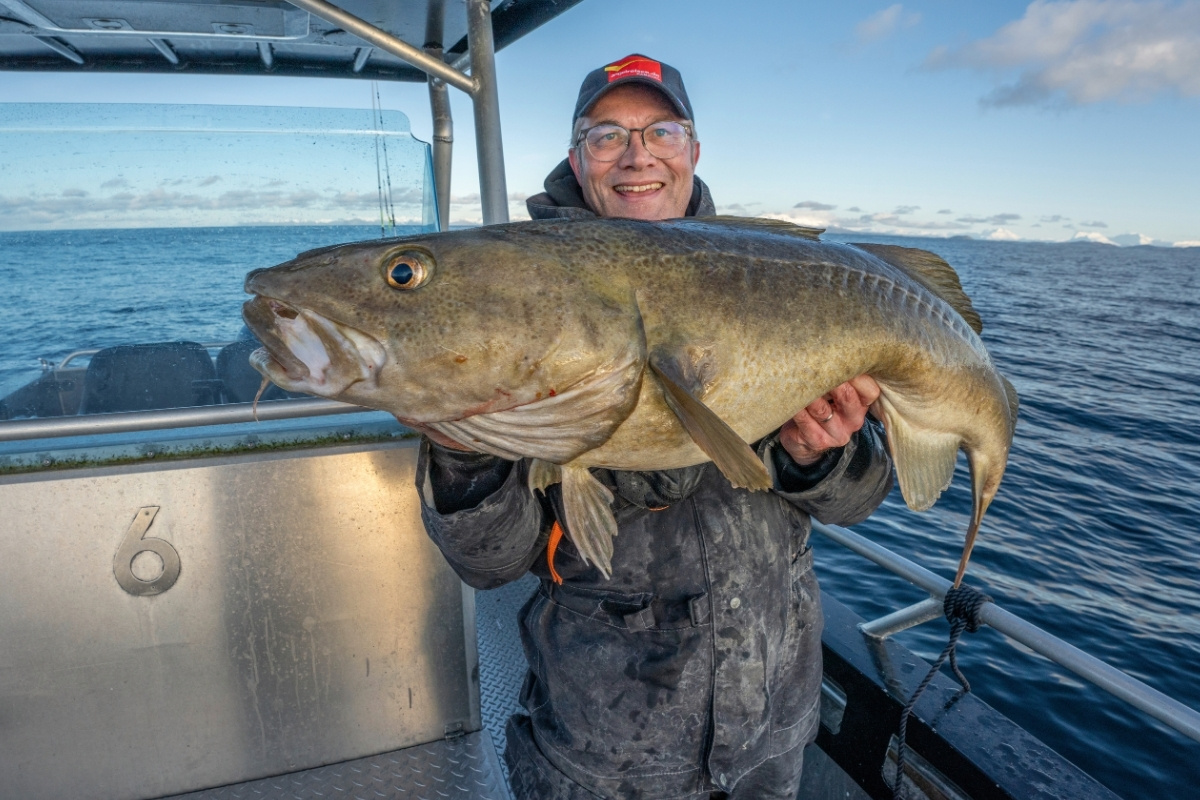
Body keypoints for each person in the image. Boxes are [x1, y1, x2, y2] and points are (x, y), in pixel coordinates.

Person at [413, 54, 893, 800]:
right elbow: (491, 563)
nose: (637, 155)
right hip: (603, 755)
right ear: (577, 158)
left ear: (693, 149)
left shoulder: (783, 279)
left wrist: (817, 458)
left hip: (774, 731)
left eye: (660, 131)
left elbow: (859, 501)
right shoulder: (511, 301)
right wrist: (461, 450)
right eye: (607, 135)